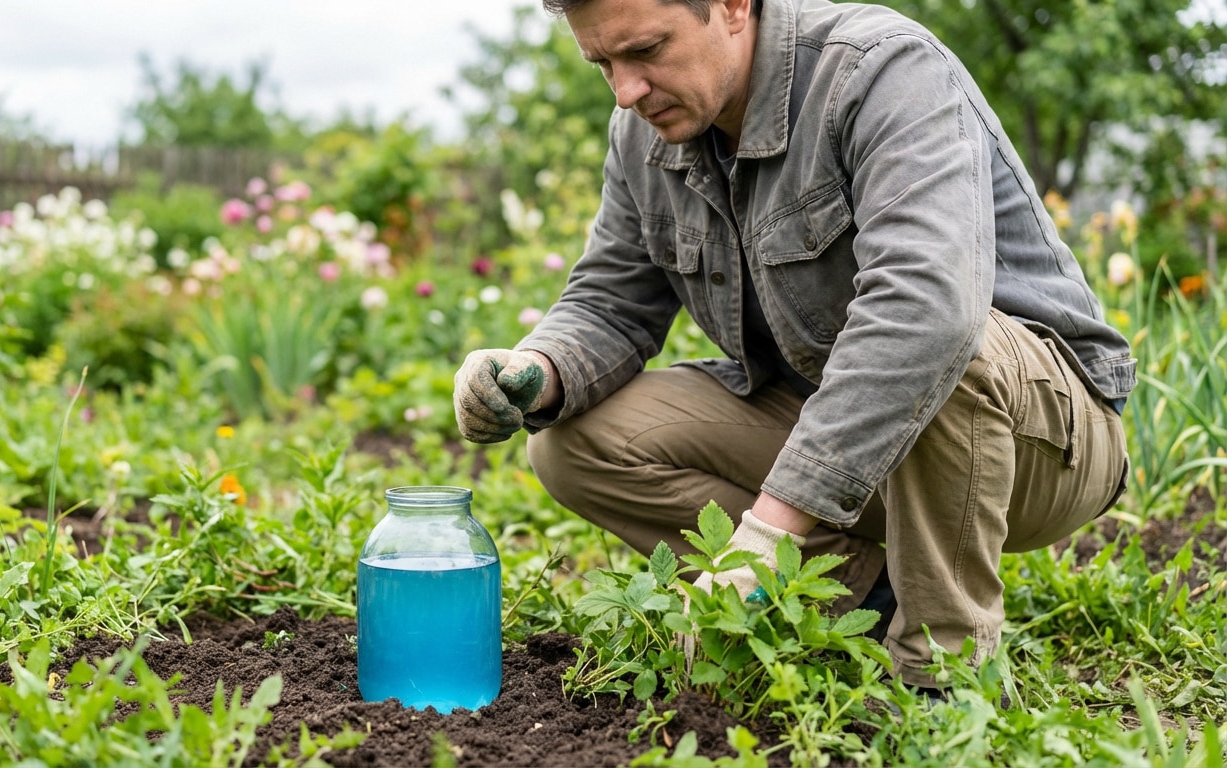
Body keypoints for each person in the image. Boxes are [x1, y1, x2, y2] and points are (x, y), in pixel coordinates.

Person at [452, 0, 1134, 691]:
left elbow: (926, 308)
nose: (626, 91)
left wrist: (770, 532)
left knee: (940, 340)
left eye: (647, 50)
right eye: (603, 64)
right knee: (574, 442)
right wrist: (532, 370)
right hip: (854, 445)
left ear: (732, 7)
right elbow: (610, 300)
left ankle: (946, 681)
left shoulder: (881, 70)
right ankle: (867, 598)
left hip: (1039, 446)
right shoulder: (642, 134)